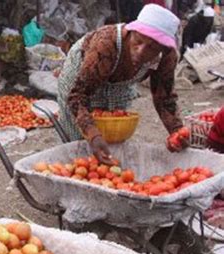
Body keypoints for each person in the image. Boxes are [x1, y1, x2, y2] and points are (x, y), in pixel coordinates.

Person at [58, 4, 188, 165]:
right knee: (81, 142)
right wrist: (93, 135)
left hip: (119, 85)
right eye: (138, 41)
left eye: (152, 48)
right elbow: (77, 97)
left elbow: (164, 98)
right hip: (81, 78)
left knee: (114, 135)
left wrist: (177, 132)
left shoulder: (167, 57)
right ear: (131, 32)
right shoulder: (105, 44)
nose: (141, 51)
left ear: (162, 48)